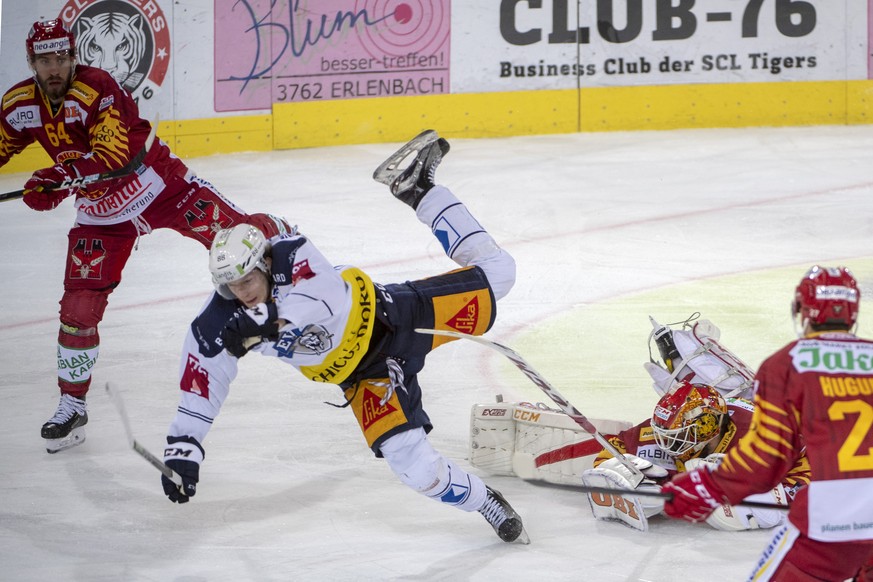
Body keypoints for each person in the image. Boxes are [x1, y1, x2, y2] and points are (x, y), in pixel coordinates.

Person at [159, 130, 530, 544]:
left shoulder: (292, 254)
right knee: (414, 467)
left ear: (264, 262)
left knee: (501, 273)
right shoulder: (221, 320)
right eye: (231, 287)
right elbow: (202, 380)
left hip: (400, 317)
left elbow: (326, 299)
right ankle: (485, 502)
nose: (242, 293)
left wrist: (269, 317)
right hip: (364, 377)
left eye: (248, 280)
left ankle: (419, 189)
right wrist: (184, 446)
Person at [0, 20, 288, 453]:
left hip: (158, 186)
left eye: (61, 59)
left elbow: (113, 154)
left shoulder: (97, 87)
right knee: (78, 309)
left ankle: (283, 234)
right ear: (31, 63)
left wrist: (58, 177)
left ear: (73, 57)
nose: (54, 68)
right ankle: (72, 405)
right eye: (45, 61)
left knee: (240, 242)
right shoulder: (20, 104)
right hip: (101, 215)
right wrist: (56, 184)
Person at [661, 266, 873, 581]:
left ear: (803, 311)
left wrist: (707, 487)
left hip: (828, 528)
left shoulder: (785, 365)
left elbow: (766, 458)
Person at [580, 379, 809, 532]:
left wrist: (786, 493)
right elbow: (613, 450)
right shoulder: (658, 434)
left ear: (709, 428)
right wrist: (623, 475)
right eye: (664, 434)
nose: (667, 444)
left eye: (678, 436)